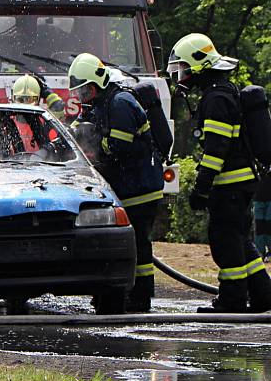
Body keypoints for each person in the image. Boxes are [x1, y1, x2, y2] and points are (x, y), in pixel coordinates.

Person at [168, 33, 271, 312]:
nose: (182, 75)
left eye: (184, 68)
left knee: (225, 241)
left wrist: (202, 187)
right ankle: (263, 294)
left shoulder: (215, 99)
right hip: (241, 184)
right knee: (240, 240)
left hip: (230, 186)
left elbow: (216, 149)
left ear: (198, 65)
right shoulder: (223, 91)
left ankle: (232, 299)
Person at [68, 53, 164, 313]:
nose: (81, 97)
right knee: (126, 245)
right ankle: (117, 294)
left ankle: (139, 298)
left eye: (83, 90)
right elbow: (77, 130)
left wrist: (94, 146)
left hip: (140, 189)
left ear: (96, 83)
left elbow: (119, 146)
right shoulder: (102, 103)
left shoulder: (120, 103)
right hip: (128, 187)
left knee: (139, 247)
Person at [254, 172, 271, 261]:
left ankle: (269, 252)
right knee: (259, 228)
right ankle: (260, 252)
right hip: (258, 199)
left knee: (269, 227)